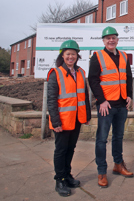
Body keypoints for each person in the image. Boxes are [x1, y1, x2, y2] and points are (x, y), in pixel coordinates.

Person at [88, 26, 134, 188]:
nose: (111, 40)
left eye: (113, 37)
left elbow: (128, 77)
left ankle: (118, 164)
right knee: (101, 139)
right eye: (108, 38)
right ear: (103, 40)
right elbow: (93, 80)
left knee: (118, 137)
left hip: (121, 104)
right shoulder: (97, 56)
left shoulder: (123, 55)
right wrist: (101, 100)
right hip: (106, 106)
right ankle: (101, 171)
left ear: (117, 39)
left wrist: (129, 95)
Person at [47, 40, 91, 197]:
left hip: (77, 119)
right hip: (62, 121)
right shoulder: (55, 73)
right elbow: (51, 100)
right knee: (61, 150)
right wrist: (56, 122)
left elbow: (84, 96)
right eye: (68, 54)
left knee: (71, 149)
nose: (71, 57)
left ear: (77, 56)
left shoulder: (80, 72)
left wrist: (87, 115)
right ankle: (59, 180)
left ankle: (67, 175)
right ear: (62, 56)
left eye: (73, 54)